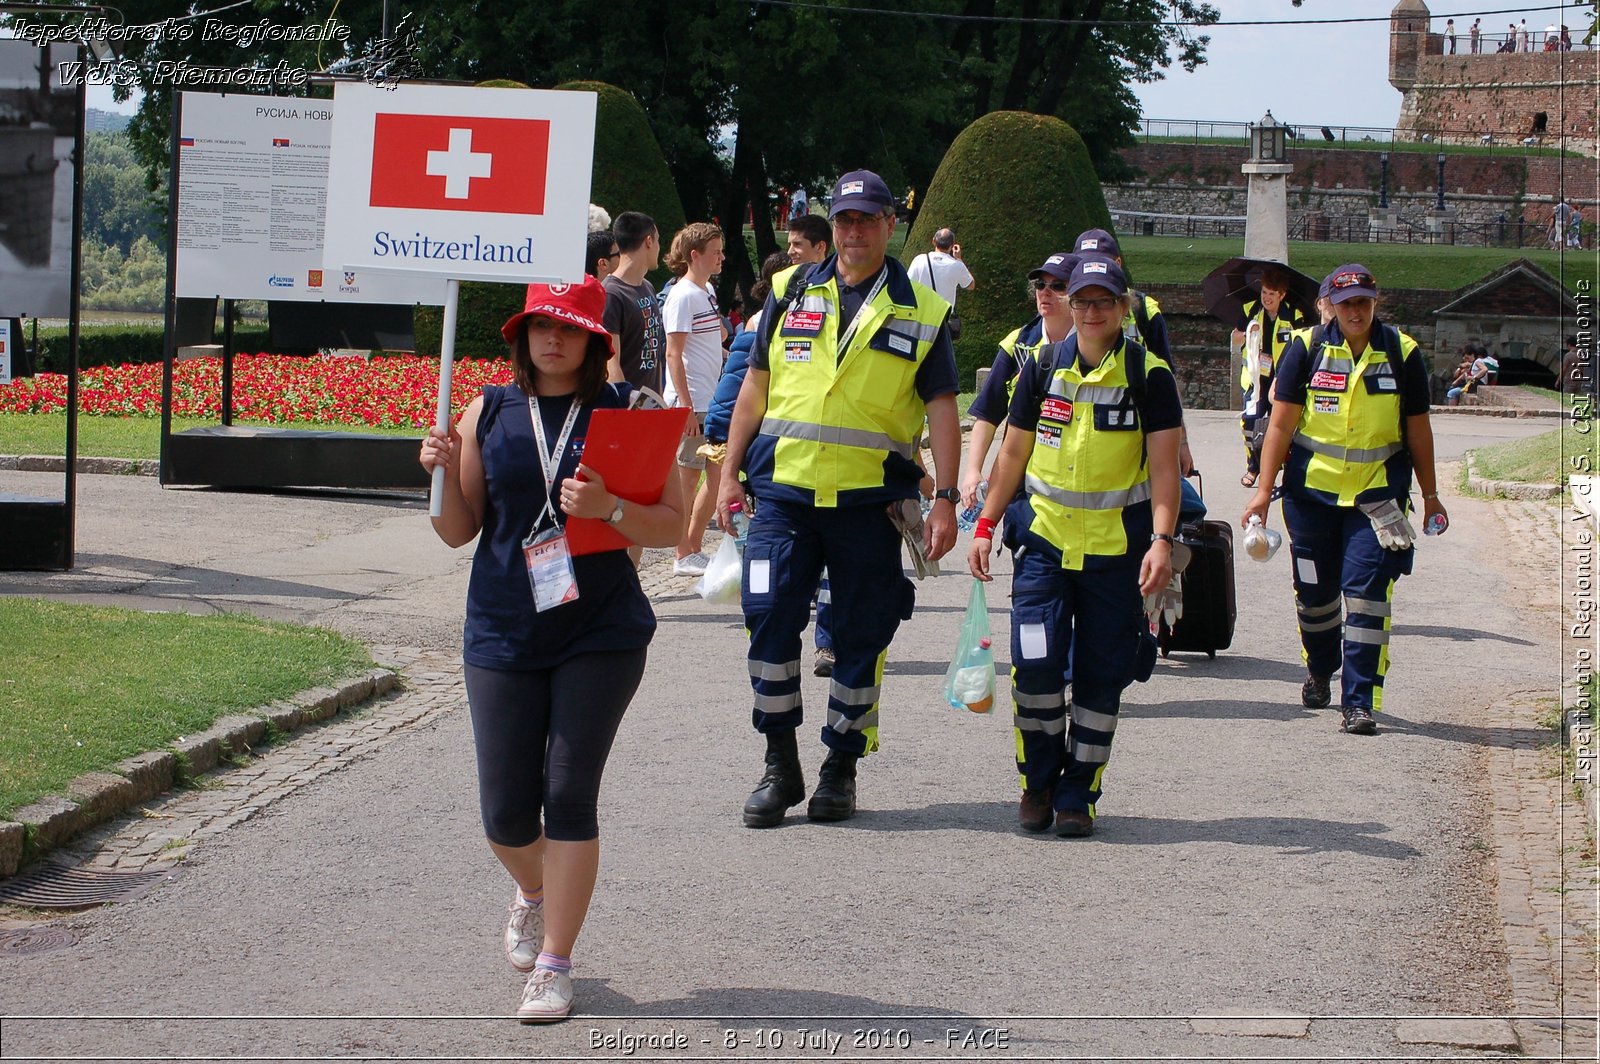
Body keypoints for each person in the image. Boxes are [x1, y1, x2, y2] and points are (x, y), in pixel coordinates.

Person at [417, 277, 687, 1023]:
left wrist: (611, 509)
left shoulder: (628, 413)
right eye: (541, 325)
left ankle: (555, 964)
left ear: (597, 341)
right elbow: (456, 530)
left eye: (569, 328)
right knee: (506, 813)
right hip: (503, 626)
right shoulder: (488, 410)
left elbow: (674, 525)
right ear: (522, 335)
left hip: (599, 631)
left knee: (567, 794)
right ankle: (535, 890)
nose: (553, 339)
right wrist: (436, 475)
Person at [716, 168, 961, 827]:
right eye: (844, 221)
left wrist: (947, 499)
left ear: (889, 226)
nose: (854, 232)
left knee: (860, 634)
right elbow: (754, 389)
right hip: (783, 499)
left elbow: (942, 408)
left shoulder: (923, 310)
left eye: (867, 220)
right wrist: (727, 471)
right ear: (834, 228)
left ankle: (840, 767)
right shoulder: (788, 289)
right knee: (767, 619)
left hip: (868, 505)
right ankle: (778, 762)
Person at [967, 257, 1182, 838]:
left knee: (1099, 675)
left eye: (1101, 302)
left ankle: (1078, 794)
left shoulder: (1149, 374)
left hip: (1118, 555)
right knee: (1035, 669)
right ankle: (1036, 783)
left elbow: (1165, 469)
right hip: (1043, 547)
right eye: (1080, 300)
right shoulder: (1041, 366)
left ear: (1122, 307)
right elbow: (1012, 454)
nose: (1089, 312)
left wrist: (1162, 540)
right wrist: (985, 525)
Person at [1241, 264, 1447, 736]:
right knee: (1315, 596)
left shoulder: (1403, 353)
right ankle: (1319, 667)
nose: (1356, 311)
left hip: (1376, 500)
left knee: (1367, 598)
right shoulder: (1306, 348)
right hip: (1310, 499)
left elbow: (1419, 430)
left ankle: (1358, 702)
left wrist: (1431, 495)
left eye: (1364, 302)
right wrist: (1262, 493)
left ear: (1376, 302)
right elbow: (1280, 425)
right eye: (1347, 302)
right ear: (1331, 305)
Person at [961, 252, 1076, 509]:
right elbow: (988, 413)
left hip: (1074, 479)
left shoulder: (1091, 346)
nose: (1045, 292)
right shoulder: (1018, 343)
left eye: (1058, 286)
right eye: (1040, 285)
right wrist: (973, 471)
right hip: (1022, 480)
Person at [1072, 229, 1192, 474]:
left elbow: (1167, 379)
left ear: (1117, 263)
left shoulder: (1145, 311)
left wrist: (1181, 441)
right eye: (1084, 264)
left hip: (1137, 422)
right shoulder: (1065, 305)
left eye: (1100, 263)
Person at [778, 215, 839, 676]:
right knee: (783, 586)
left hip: (847, 481)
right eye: (790, 243)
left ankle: (828, 643)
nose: (792, 250)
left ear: (823, 248)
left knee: (836, 577)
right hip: (790, 475)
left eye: (800, 244)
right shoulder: (785, 296)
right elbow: (748, 375)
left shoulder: (861, 304)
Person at [661, 222, 729, 576]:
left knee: (714, 475)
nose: (721, 257)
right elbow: (674, 354)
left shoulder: (706, 291)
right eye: (715, 251)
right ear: (694, 255)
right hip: (692, 402)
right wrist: (685, 406)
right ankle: (683, 551)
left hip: (710, 398)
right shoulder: (683, 295)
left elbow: (710, 336)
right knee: (689, 477)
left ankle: (693, 546)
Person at [1231, 266, 1309, 487]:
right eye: (1264, 292)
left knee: (1279, 426)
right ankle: (1253, 467)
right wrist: (1247, 334)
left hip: (1282, 381)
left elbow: (1302, 344)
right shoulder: (1250, 309)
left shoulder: (1294, 315)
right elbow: (1235, 338)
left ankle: (1273, 470)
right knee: (1249, 423)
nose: (1266, 298)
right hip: (1255, 380)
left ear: (1281, 295)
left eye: (1271, 294)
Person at [601, 212, 667, 396]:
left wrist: (658, 402)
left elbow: (655, 357)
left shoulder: (648, 287)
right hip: (627, 410)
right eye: (658, 241)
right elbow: (610, 361)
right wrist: (625, 410)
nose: (659, 247)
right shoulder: (611, 293)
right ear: (648, 241)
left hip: (650, 407)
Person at [906, 228, 977, 325]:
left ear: (934, 241)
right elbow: (971, 285)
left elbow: (907, 286)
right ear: (952, 246)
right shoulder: (957, 265)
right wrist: (959, 259)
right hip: (942, 319)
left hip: (920, 317)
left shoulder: (919, 260)